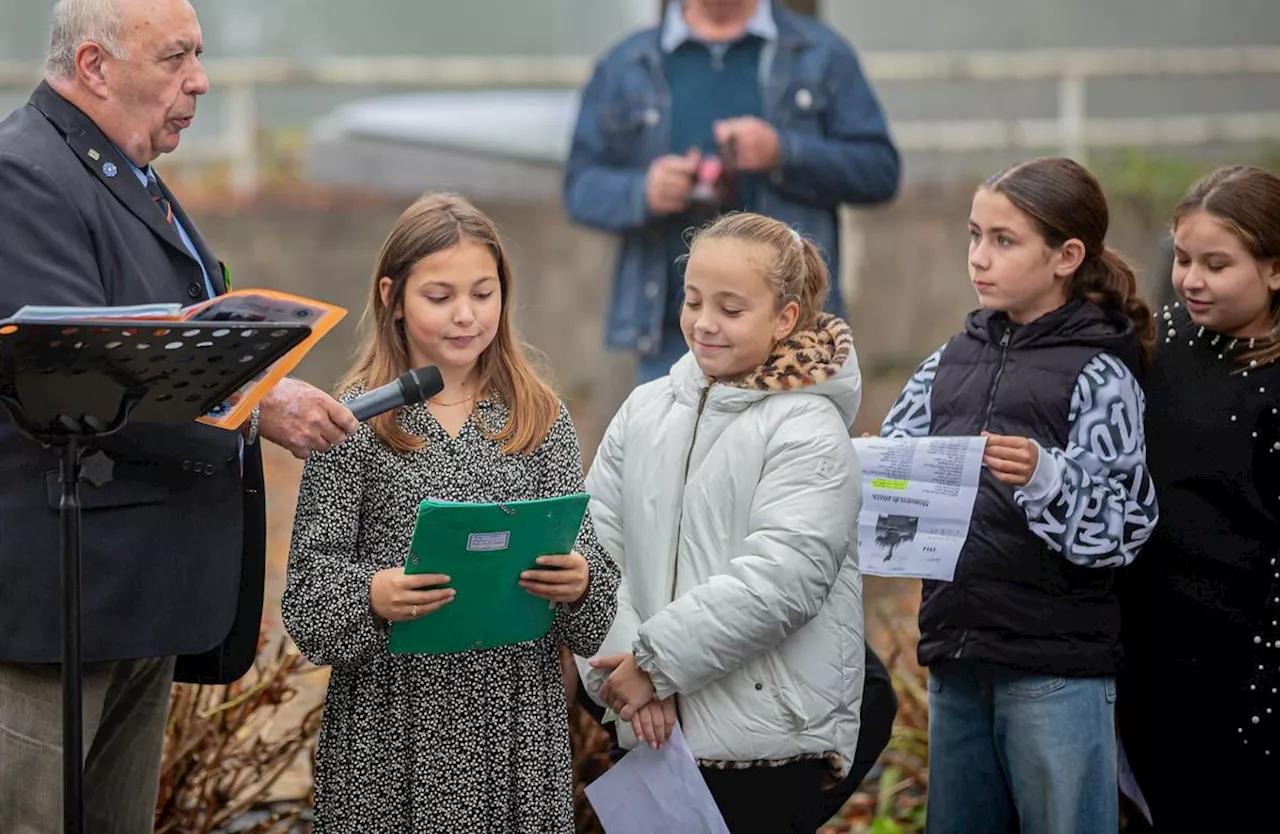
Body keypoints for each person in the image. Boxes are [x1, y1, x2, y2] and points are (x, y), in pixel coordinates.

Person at [0, 1, 357, 831]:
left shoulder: (116, 170)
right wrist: (258, 398)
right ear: (94, 67)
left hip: (131, 595)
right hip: (60, 602)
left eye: (196, 55)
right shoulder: (22, 175)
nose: (198, 80)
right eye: (174, 58)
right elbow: (78, 370)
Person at [281, 193, 620, 834]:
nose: (466, 316)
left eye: (483, 294)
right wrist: (373, 593)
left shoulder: (539, 418)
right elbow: (307, 601)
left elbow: (595, 599)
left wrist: (579, 581)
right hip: (392, 732)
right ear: (392, 296)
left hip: (516, 729)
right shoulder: (351, 420)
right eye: (439, 297)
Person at [877, 157, 1159, 834]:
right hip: (955, 658)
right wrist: (876, 469)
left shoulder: (1099, 372)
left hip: (1056, 672)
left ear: (1066, 256)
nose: (979, 258)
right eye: (974, 236)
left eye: (1004, 241)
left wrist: (1047, 478)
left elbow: (1126, 529)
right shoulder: (947, 361)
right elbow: (893, 486)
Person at [580, 211, 865, 833]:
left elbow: (782, 579)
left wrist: (654, 666)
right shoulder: (645, 407)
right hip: (652, 727)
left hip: (767, 745)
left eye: (731, 309)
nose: (704, 323)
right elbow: (592, 548)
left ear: (785, 318)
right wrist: (624, 671)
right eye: (692, 301)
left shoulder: (808, 429)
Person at [564, 0, 899, 385]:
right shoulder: (626, 63)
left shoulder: (821, 53)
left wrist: (782, 152)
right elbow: (580, 186)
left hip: (791, 337)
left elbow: (880, 171)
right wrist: (644, 192)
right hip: (674, 338)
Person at [1117, 165, 1280, 832]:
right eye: (1182, 258)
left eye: (1217, 264)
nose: (1191, 279)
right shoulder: (1164, 344)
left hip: (1242, 668)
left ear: (1274, 270)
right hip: (1148, 650)